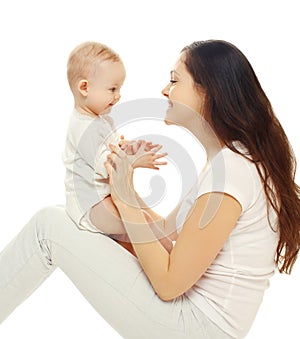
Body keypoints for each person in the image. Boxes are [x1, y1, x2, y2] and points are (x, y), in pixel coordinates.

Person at [0, 40, 299, 339]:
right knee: (57, 219)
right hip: (195, 321)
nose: (164, 90)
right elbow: (169, 238)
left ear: (208, 91)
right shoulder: (233, 162)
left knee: (48, 228)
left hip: (196, 327)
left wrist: (125, 198)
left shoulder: (232, 171)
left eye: (174, 80)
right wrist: (123, 186)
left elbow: (169, 283)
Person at [62, 41, 171, 253]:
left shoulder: (101, 119)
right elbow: (107, 166)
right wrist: (134, 160)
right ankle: (169, 265)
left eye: (119, 88)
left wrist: (129, 149)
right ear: (84, 87)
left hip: (104, 198)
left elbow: (111, 150)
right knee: (145, 226)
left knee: (140, 234)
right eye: (112, 89)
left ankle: (160, 266)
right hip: (91, 205)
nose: (118, 95)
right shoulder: (84, 127)